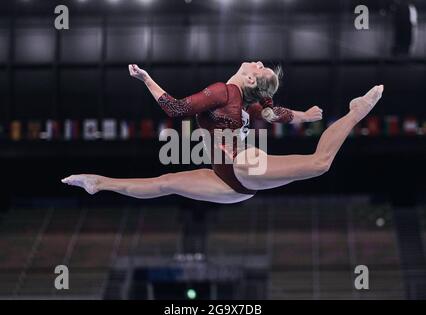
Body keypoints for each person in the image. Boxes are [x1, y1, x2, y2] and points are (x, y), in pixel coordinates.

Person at [62, 62, 383, 204]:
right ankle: (98, 183)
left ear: (252, 81)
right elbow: (276, 115)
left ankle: (357, 111)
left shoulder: (227, 92)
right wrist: (304, 115)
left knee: (319, 163)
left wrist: (146, 79)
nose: (257, 61)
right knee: (164, 184)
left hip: (243, 166)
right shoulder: (242, 101)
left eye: (260, 68)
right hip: (228, 182)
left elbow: (175, 110)